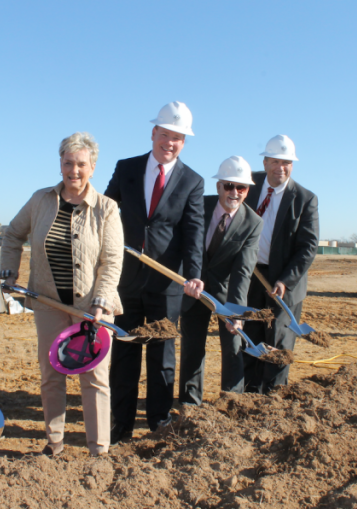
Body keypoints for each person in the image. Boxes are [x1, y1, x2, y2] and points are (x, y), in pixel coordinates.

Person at [0, 132, 123, 457]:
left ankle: (99, 451)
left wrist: (101, 299)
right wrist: (9, 271)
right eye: (68, 163)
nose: (74, 171)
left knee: (94, 377)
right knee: (51, 373)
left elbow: (112, 260)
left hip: (92, 308)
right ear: (60, 164)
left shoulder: (107, 209)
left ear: (92, 167)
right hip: (48, 304)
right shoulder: (40, 200)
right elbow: (12, 235)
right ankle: (54, 444)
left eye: (81, 164)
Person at [104, 101, 204, 444]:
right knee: (125, 354)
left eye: (177, 138)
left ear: (184, 142)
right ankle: (120, 429)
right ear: (153, 133)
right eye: (165, 135)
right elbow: (106, 212)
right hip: (126, 280)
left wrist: (194, 274)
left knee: (162, 358)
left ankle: (159, 425)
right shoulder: (126, 168)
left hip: (167, 285)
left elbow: (194, 232)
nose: (170, 143)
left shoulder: (192, 180)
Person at [179, 156, 263, 406]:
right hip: (193, 290)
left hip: (227, 295)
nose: (234, 192)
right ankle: (189, 405)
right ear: (218, 187)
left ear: (247, 191)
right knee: (193, 348)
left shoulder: (252, 223)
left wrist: (236, 312)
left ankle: (231, 403)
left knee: (233, 347)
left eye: (241, 187)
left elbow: (243, 270)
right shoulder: (197, 206)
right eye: (228, 185)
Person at [243, 135, 319, 393]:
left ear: (292, 165)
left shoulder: (305, 199)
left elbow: (308, 247)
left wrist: (285, 280)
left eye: (286, 162)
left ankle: (274, 397)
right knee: (250, 337)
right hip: (251, 278)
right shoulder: (246, 186)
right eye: (275, 161)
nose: (281, 167)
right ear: (265, 162)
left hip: (284, 282)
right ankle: (250, 396)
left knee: (278, 340)